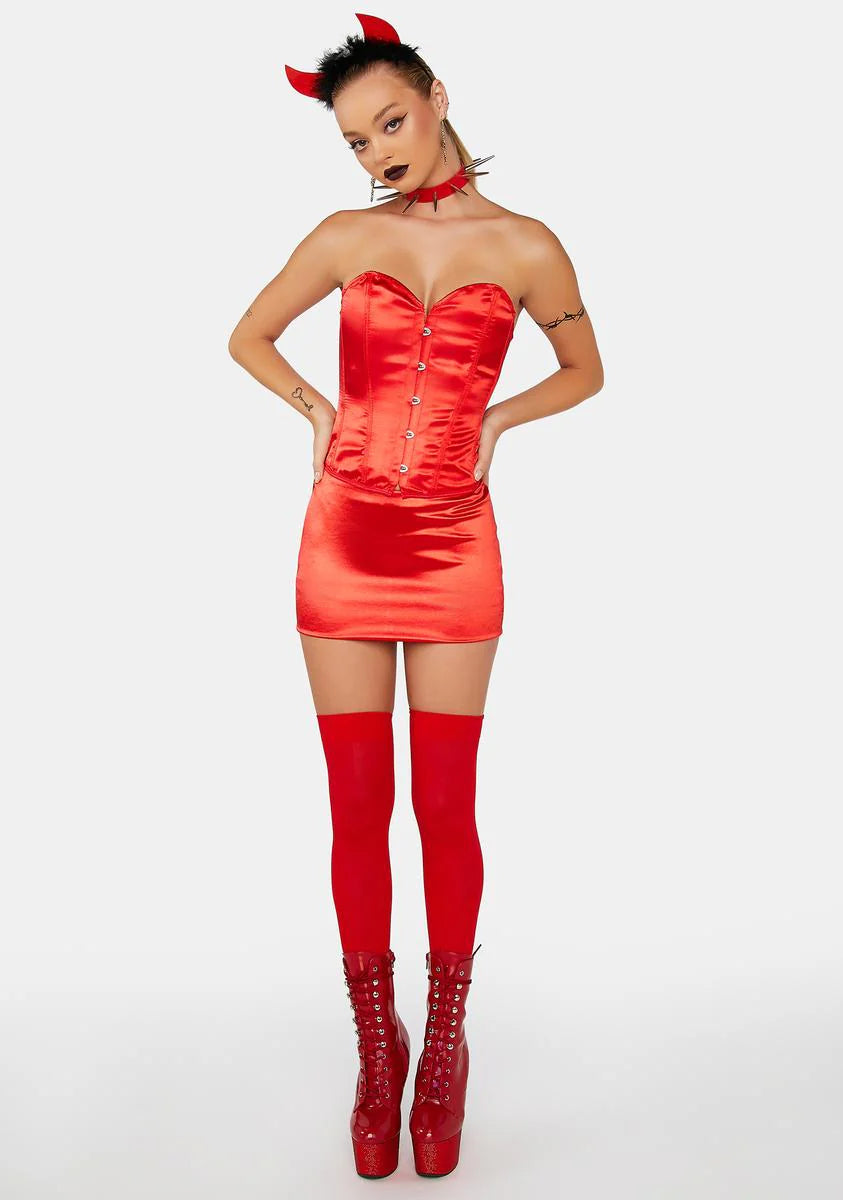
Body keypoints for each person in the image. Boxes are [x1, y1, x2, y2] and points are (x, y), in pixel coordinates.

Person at [228, 12, 604, 1180]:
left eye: (390, 121)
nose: (378, 152)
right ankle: (375, 1047)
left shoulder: (528, 244)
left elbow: (587, 369)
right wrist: (317, 412)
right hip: (344, 538)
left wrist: (500, 420)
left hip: (455, 545)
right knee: (356, 806)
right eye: (356, 140)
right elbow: (248, 336)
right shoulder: (346, 235)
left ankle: (443, 1044)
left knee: (445, 803)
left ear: (437, 96)